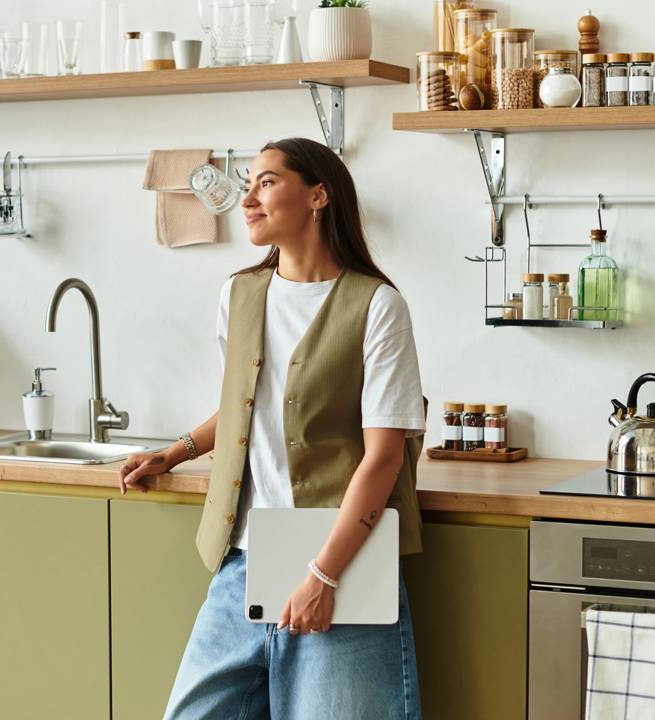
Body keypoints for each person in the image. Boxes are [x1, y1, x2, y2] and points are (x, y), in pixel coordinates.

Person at [117, 137, 426, 719]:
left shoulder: (378, 306)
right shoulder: (240, 293)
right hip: (243, 561)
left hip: (343, 565)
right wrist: (177, 451)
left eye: (266, 182)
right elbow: (244, 407)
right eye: (250, 184)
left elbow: (383, 457)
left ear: (318, 195)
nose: (248, 199)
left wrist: (322, 576)